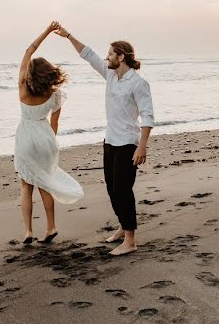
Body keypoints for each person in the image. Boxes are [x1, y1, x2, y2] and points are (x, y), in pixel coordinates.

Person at [53, 24, 154, 256]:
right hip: (110, 142)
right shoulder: (110, 75)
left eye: (110, 54)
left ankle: (130, 240)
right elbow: (87, 54)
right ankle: (122, 226)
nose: (106, 57)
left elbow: (148, 116)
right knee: (111, 189)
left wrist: (142, 146)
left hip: (129, 143)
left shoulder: (139, 83)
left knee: (123, 190)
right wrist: (68, 35)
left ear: (121, 56)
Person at [14, 21, 84, 245]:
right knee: (45, 183)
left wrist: (45, 31)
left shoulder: (23, 88)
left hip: (26, 137)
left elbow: (28, 50)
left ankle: (27, 232)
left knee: (27, 185)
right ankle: (51, 226)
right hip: (45, 137)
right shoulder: (55, 95)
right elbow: (54, 123)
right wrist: (50, 143)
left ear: (31, 74)